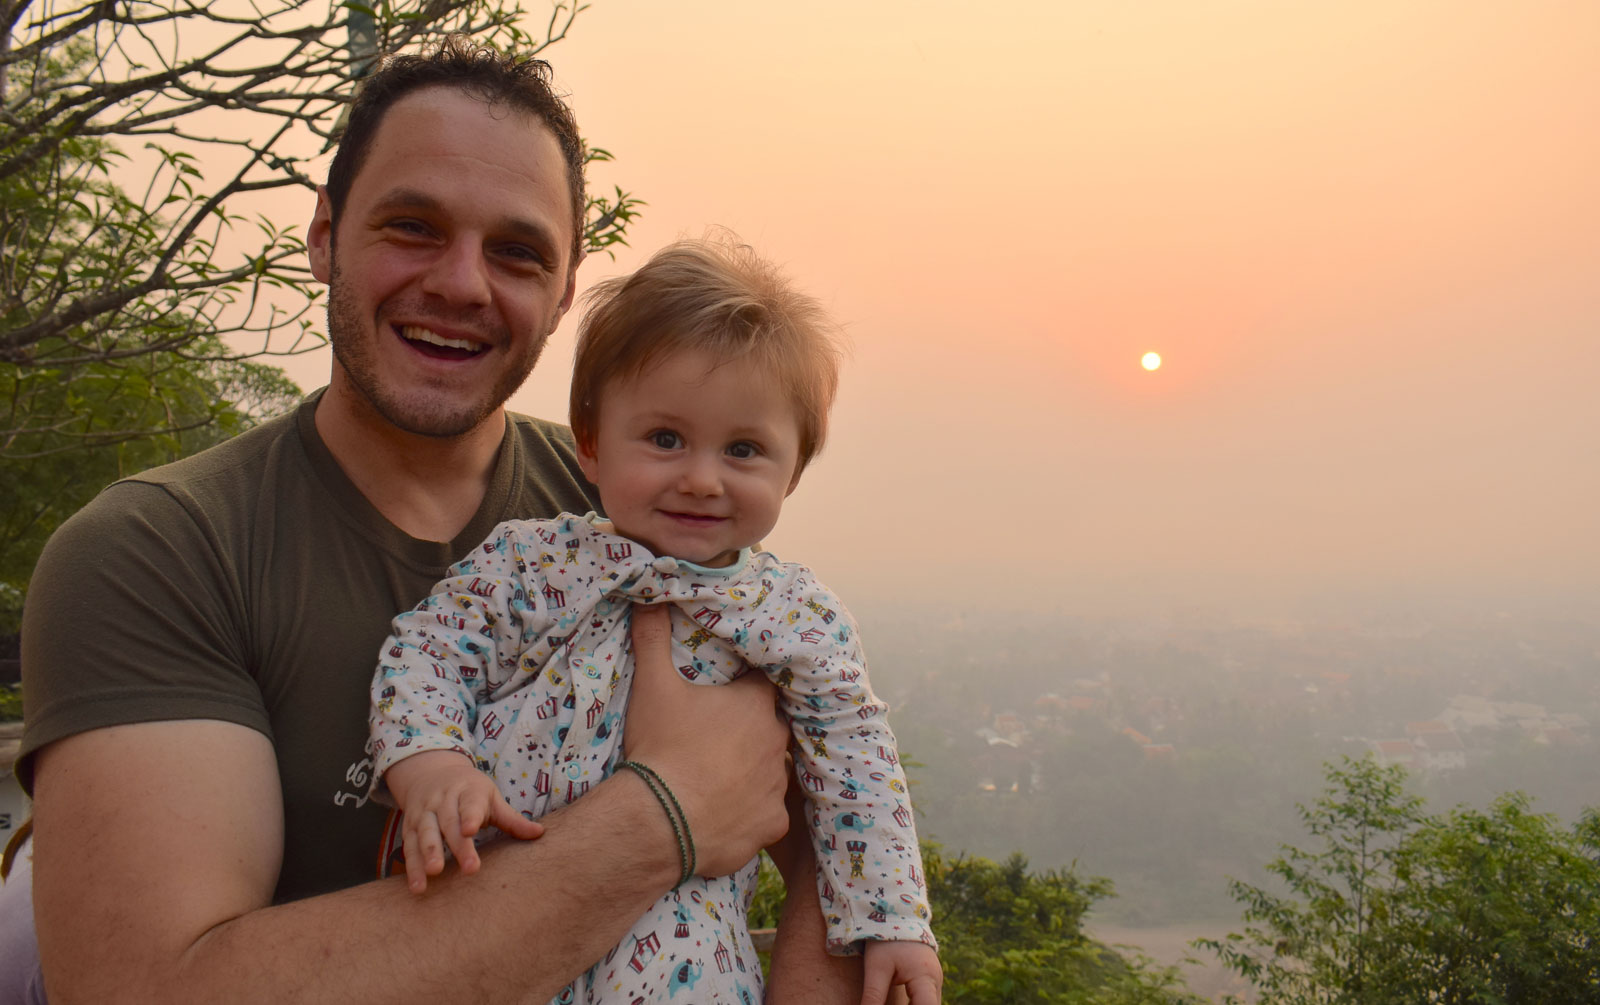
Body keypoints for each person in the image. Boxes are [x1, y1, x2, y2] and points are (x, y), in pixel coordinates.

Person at [7, 39, 864, 1004]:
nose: (463, 283)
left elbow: (828, 847)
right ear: (325, 235)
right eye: (413, 226)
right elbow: (146, 989)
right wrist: (661, 817)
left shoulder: (646, 506)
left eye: (517, 251)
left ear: (565, 291)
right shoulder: (162, 554)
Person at [369, 239, 943, 1004]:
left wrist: (893, 919)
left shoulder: (797, 617)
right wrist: (432, 765)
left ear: (793, 470)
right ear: (593, 442)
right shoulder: (532, 562)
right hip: (493, 923)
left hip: (683, 962)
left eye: (744, 449)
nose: (701, 478)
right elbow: (429, 651)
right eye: (666, 438)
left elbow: (857, 766)